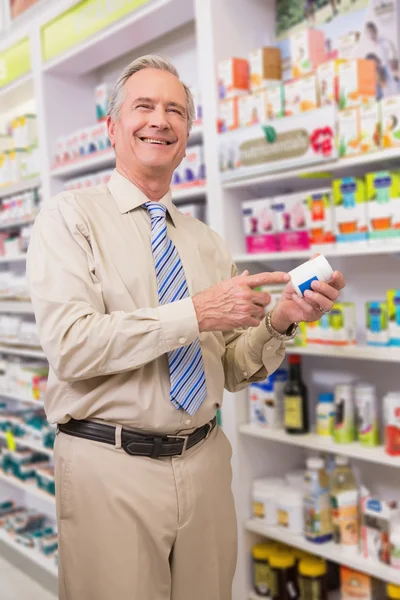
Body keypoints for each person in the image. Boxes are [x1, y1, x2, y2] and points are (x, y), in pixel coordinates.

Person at [27, 55, 345, 600]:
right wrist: (196, 313)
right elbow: (71, 346)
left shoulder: (204, 240)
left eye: (175, 110)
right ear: (112, 126)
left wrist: (279, 320)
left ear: (187, 133)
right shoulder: (68, 218)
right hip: (110, 467)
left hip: (204, 461)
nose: (160, 120)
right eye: (144, 106)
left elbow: (226, 367)